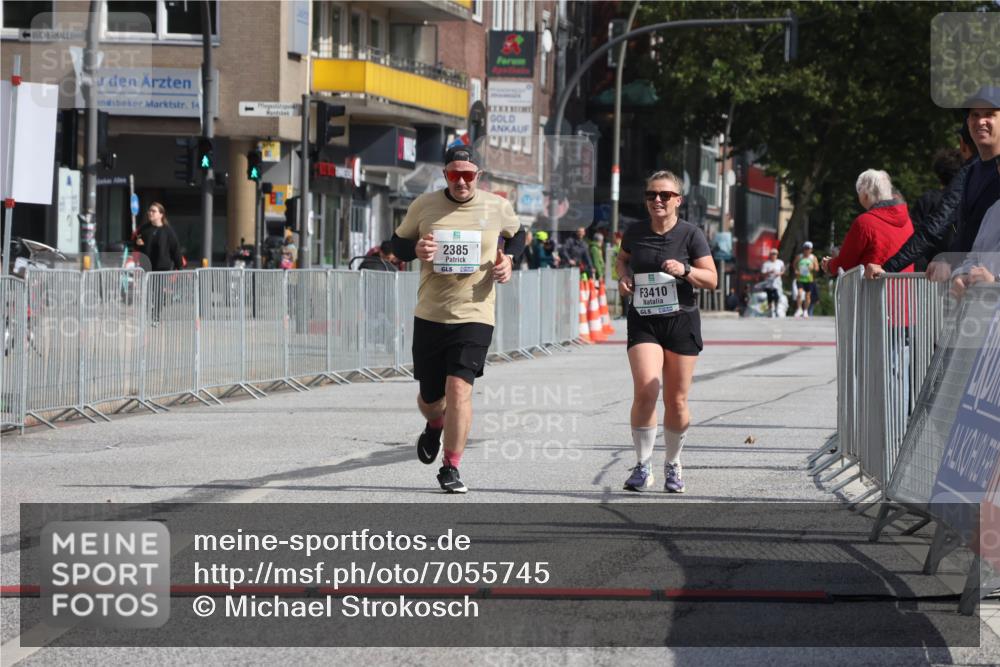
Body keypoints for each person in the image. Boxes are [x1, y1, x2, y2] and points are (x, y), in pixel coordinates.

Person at [391, 145, 525, 494]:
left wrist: (509, 260)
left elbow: (519, 235)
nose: (462, 181)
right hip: (431, 314)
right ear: (445, 174)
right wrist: (416, 249)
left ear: (478, 176)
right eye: (455, 174)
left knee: (460, 389)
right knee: (430, 398)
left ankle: (451, 467)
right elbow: (397, 243)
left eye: (468, 175)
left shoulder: (496, 206)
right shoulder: (424, 205)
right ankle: (435, 423)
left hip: (475, 312)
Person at [615, 170, 717, 493]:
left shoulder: (691, 234)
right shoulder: (634, 232)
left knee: (676, 400)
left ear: (678, 200)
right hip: (644, 319)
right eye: (651, 195)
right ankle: (643, 465)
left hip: (680, 320)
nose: (657, 200)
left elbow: (711, 278)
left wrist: (686, 270)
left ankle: (673, 463)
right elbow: (623, 260)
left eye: (664, 195)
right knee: (646, 390)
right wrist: (623, 277)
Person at [866, 125, 977, 280]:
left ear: (963, 145)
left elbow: (929, 231)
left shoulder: (968, 176)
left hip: (942, 274)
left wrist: (889, 268)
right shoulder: (973, 176)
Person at [822, 170, 915, 276]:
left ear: (865, 195)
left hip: (874, 290)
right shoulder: (908, 220)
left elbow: (845, 264)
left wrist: (829, 265)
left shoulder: (864, 222)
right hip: (905, 289)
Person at [951, 157, 1000, 298]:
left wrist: (994, 281)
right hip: (985, 312)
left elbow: (991, 279)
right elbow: (974, 256)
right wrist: (962, 275)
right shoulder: (993, 210)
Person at [135, 202, 183, 272]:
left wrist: (180, 267)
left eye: (153, 211)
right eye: (149, 211)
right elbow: (136, 243)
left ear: (161, 214)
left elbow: (175, 249)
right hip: (146, 268)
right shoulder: (143, 229)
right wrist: (137, 242)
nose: (150, 213)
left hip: (162, 271)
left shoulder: (168, 231)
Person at [793, 242, 820, 317]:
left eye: (808, 249)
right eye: (805, 248)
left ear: (811, 249)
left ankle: (805, 310)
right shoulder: (799, 257)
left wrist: (813, 268)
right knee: (799, 293)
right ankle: (799, 309)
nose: (806, 250)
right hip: (800, 278)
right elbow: (794, 265)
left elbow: (817, 268)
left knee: (807, 296)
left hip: (809, 279)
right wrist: (796, 270)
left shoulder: (813, 258)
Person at [760, 248, 785, 318]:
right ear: (770, 255)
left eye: (775, 254)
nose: (774, 255)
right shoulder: (766, 264)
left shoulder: (780, 262)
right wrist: (769, 272)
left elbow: (783, 270)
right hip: (769, 283)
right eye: (773, 254)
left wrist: (779, 273)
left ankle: (776, 309)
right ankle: (770, 310)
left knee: (777, 296)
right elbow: (762, 274)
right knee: (770, 297)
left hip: (777, 283)